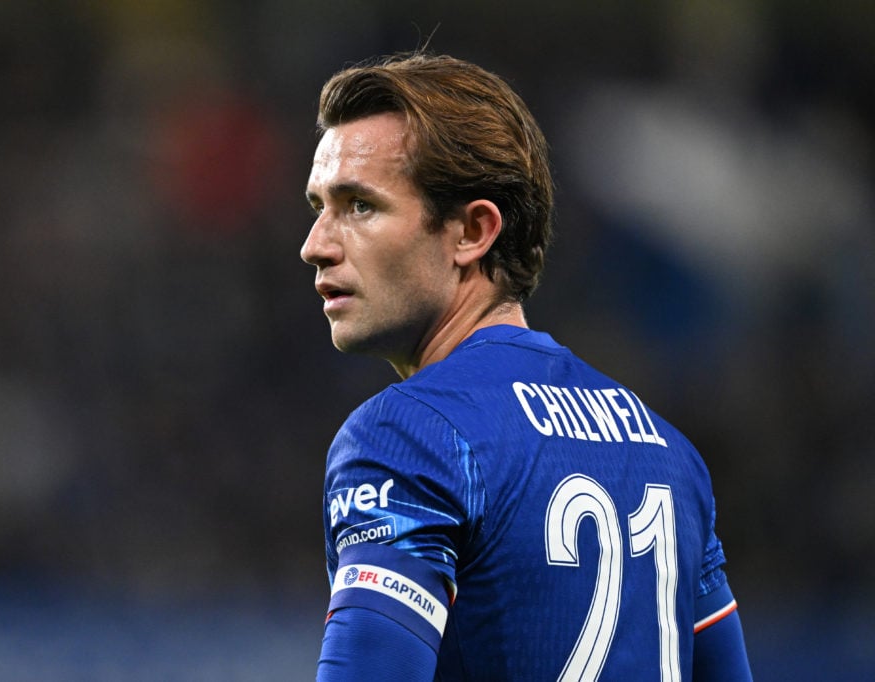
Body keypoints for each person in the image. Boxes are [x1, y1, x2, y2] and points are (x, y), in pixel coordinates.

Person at [301, 52, 752, 681]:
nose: (315, 244)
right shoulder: (668, 454)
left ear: (471, 232)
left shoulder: (408, 436)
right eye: (319, 205)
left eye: (360, 207)